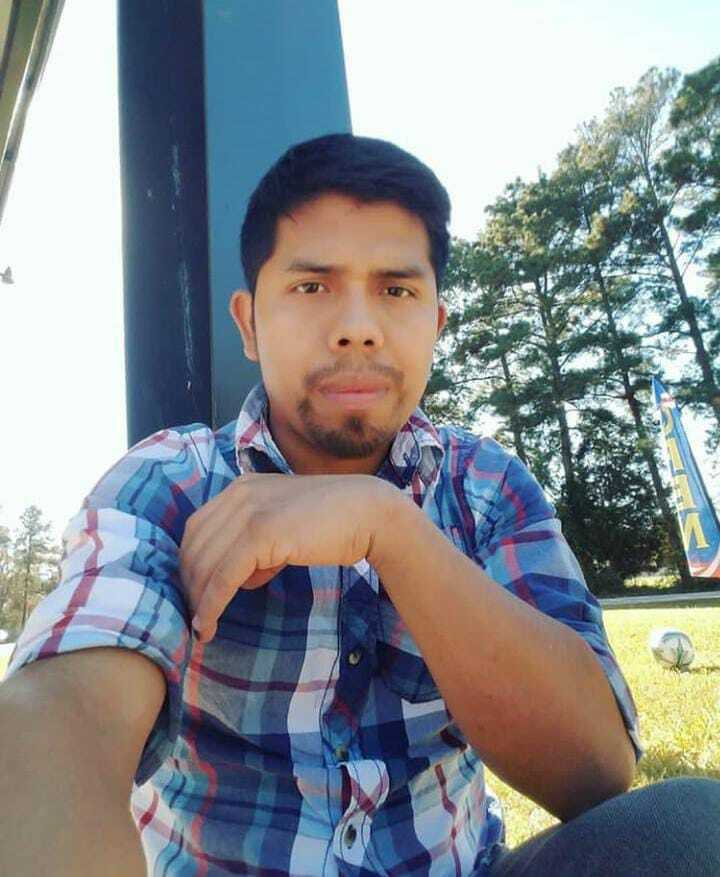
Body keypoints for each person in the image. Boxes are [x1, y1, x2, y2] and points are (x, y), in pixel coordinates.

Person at [0, 133, 718, 876]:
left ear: (436, 324)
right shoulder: (170, 485)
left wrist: (390, 529)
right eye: (312, 287)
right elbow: (61, 722)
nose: (358, 326)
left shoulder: (488, 489)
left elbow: (594, 771)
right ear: (249, 324)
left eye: (396, 291)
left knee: (689, 828)